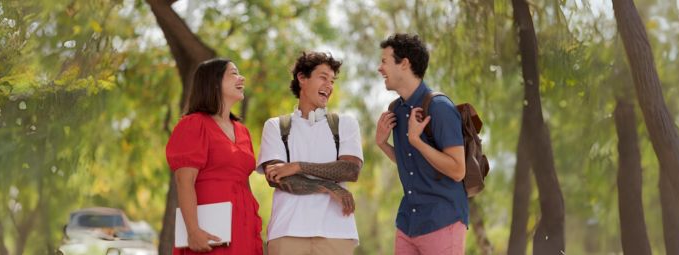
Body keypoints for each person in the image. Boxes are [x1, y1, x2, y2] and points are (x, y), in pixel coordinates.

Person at [257, 51, 364, 255]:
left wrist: (298, 166)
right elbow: (276, 179)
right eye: (323, 77)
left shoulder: (345, 124)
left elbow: (350, 170)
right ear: (302, 78)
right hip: (287, 232)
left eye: (332, 81)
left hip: (337, 233)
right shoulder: (276, 126)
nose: (329, 86)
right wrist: (330, 188)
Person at [374, 34, 469, 255]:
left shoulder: (439, 107)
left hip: (443, 220)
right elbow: (411, 163)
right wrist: (383, 144)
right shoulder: (395, 109)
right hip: (408, 223)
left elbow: (457, 170)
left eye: (385, 61)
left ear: (404, 63)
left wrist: (416, 141)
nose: (380, 68)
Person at [166, 58, 263, 254]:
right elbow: (184, 180)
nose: (241, 78)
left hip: (242, 223)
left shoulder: (243, 131)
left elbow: (244, 181)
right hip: (208, 228)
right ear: (213, 82)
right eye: (234, 73)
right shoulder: (193, 124)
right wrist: (193, 231)